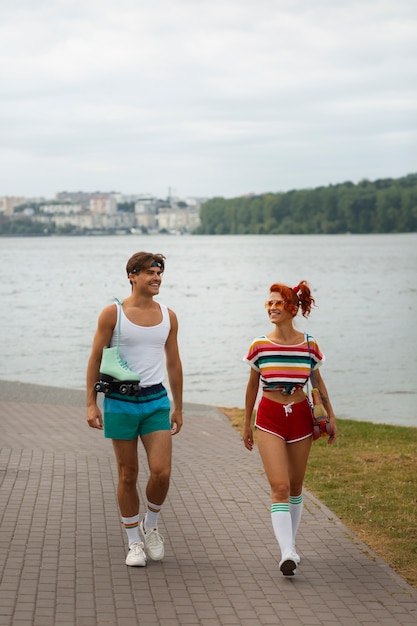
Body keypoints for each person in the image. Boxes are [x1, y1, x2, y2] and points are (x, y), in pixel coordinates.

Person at [86, 252, 183, 567]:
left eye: (159, 273)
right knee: (128, 474)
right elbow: (95, 359)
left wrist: (178, 406)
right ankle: (133, 543)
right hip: (120, 401)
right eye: (150, 273)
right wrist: (91, 403)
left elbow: (173, 362)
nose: (157, 278)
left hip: (156, 401)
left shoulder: (169, 315)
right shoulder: (112, 313)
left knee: (162, 471)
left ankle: (150, 525)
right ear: (132, 276)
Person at [243, 281, 337, 576]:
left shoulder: (309, 345)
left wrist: (331, 417)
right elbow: (252, 385)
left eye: (278, 303)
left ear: (292, 309)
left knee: (296, 487)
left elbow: (318, 384)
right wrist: (246, 422)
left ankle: (291, 545)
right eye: (268, 303)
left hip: (299, 418)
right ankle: (287, 552)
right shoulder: (260, 345)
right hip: (269, 417)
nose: (272, 307)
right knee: (280, 487)